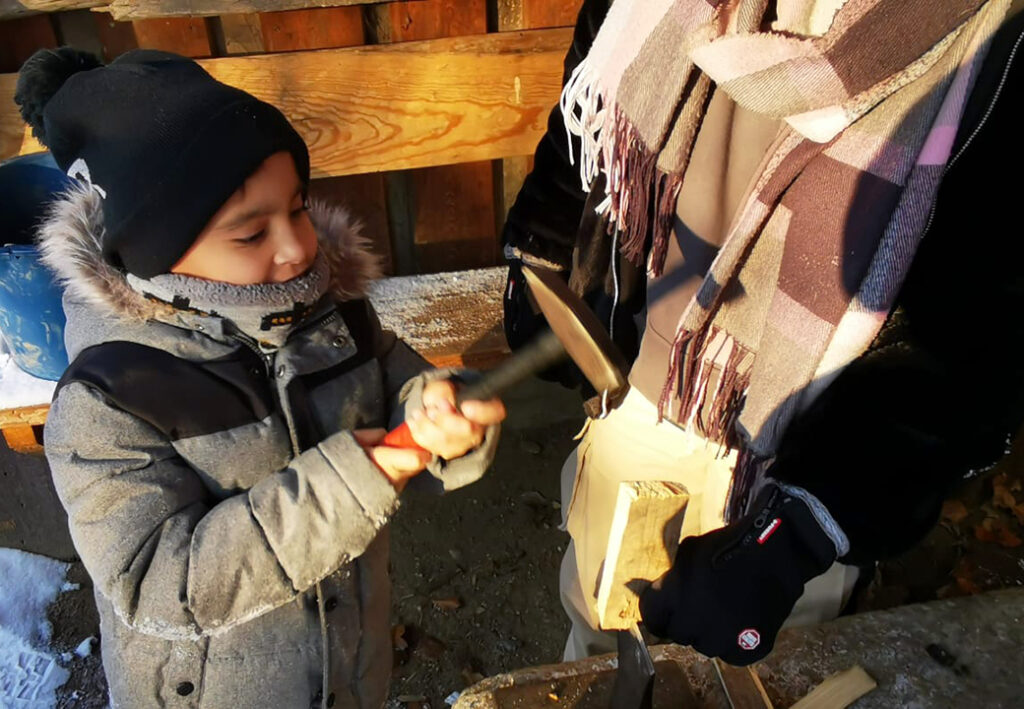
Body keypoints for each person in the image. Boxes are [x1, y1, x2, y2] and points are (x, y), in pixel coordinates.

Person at [503, 0, 1024, 665]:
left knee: (765, 676)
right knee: (599, 646)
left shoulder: (998, 39)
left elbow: (973, 342)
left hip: (798, 461)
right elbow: (596, 85)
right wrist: (541, 246)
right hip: (635, 394)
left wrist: (797, 535)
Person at [15, 47, 505, 708]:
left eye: (298, 208)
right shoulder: (111, 399)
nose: (298, 247)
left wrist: (436, 403)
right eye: (252, 234)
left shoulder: (325, 310)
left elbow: (396, 380)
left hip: (346, 664)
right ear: (155, 251)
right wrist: (358, 477)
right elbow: (162, 583)